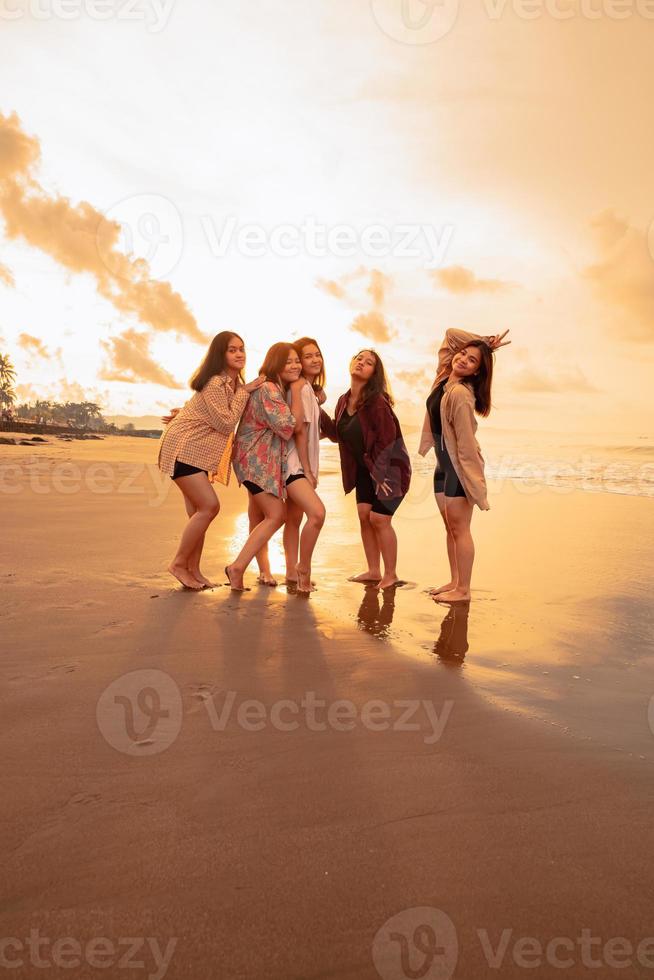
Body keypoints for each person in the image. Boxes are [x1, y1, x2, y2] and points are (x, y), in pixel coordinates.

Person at [158, 332, 264, 590]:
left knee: (198, 513)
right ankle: (179, 564)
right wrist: (245, 391)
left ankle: (194, 570)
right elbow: (226, 422)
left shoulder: (227, 384)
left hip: (196, 452)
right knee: (209, 507)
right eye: (232, 350)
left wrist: (183, 411)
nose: (240, 354)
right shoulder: (217, 383)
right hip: (184, 450)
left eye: (242, 348)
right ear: (220, 354)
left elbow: (203, 409)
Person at [418, 327, 511, 603]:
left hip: (458, 469)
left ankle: (464, 589)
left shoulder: (460, 393)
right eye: (463, 354)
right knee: (451, 528)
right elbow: (449, 334)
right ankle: (455, 581)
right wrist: (484, 343)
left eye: (472, 361)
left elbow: (467, 443)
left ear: (476, 373)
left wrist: (475, 483)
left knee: (461, 529)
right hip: (441, 466)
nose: (462, 359)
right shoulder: (444, 377)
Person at [321, 349, 411, 590]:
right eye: (359, 358)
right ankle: (374, 570)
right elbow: (336, 433)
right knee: (364, 516)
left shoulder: (377, 403)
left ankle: (390, 574)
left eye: (368, 362)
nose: (362, 363)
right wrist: (311, 400)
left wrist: (380, 475)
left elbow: (387, 441)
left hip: (390, 470)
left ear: (374, 374)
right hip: (364, 469)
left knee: (379, 519)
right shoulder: (342, 401)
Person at [226, 343, 299, 591]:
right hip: (256, 460)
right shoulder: (269, 389)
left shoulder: (271, 387)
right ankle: (237, 567)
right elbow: (288, 426)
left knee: (257, 516)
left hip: (252, 459)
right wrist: (300, 396)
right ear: (276, 363)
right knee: (277, 515)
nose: (295, 365)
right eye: (288, 361)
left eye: (297, 360)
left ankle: (262, 571)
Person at [280, 337, 327, 592]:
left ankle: (289, 572)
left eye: (317, 354)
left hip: (292, 463)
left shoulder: (306, 389)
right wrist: (308, 470)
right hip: (294, 466)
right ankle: (303, 568)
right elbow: (299, 430)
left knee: (294, 518)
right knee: (317, 514)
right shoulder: (301, 388)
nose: (314, 360)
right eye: (307, 356)